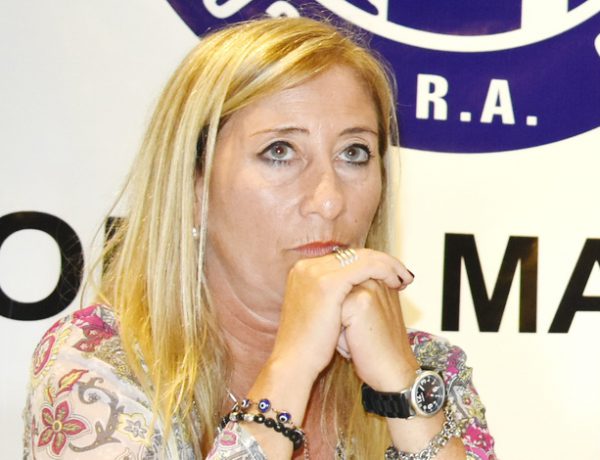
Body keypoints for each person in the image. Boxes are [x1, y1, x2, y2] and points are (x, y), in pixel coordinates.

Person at [23, 16, 496, 460]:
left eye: (354, 153)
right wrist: (291, 368)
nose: (329, 200)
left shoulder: (426, 368)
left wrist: (403, 390)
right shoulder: (98, 362)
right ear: (193, 185)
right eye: (280, 151)